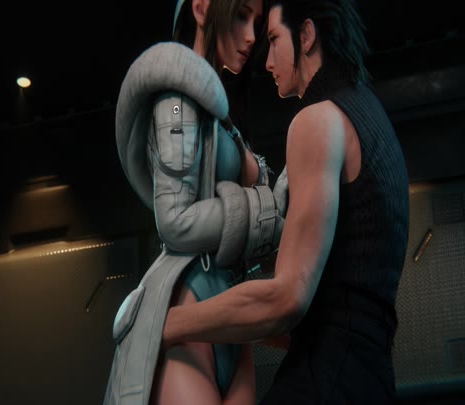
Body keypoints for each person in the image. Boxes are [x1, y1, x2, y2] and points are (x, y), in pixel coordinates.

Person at [161, 0, 410, 403]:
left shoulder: (317, 121)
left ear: (306, 36)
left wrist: (163, 323)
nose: (267, 59)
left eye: (274, 39)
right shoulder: (370, 115)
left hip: (327, 381)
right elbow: (322, 312)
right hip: (371, 379)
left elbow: (287, 299)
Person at [104, 0, 285, 404]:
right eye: (240, 15)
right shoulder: (178, 100)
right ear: (201, 8)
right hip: (189, 304)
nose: (251, 36)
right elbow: (176, 220)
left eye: (255, 22)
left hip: (226, 310)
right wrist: (266, 213)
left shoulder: (218, 112)